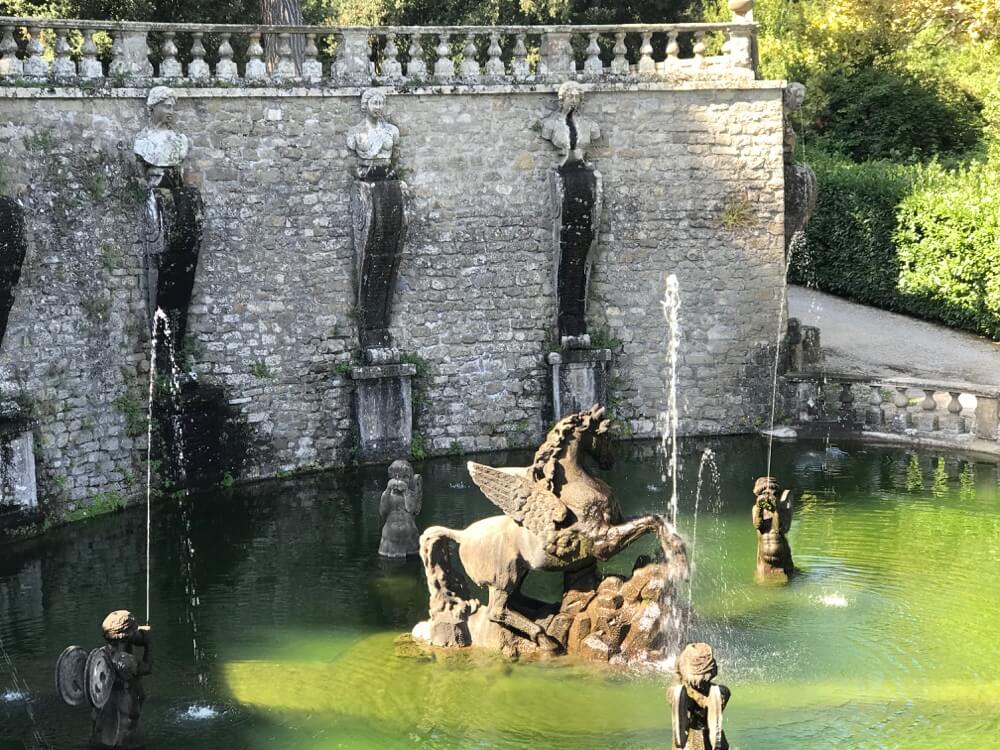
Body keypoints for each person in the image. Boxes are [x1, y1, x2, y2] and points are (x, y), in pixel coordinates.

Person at [91, 610, 152, 750]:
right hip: (123, 735)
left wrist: (135, 634)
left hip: (102, 729)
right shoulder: (126, 661)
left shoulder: (102, 655)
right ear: (127, 638)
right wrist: (149, 643)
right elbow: (147, 668)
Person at [669, 642, 730, 750]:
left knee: (677, 695)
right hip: (710, 738)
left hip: (687, 741)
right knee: (722, 693)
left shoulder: (676, 693)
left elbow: (677, 678)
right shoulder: (720, 693)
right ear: (713, 671)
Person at [346, 88, 399, 179]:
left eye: (381, 103)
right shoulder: (355, 132)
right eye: (375, 103)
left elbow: (396, 153)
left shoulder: (392, 130)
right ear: (365, 105)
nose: (378, 107)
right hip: (365, 174)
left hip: (386, 174)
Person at [751, 476, 795, 581]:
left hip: (781, 557)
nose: (767, 495)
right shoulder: (756, 508)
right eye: (764, 493)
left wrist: (775, 509)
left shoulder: (783, 508)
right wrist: (759, 508)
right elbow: (758, 525)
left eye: (772, 493)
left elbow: (779, 529)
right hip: (764, 557)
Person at [378, 459, 422, 557]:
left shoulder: (411, 494)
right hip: (389, 540)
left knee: (412, 567)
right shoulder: (387, 494)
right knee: (389, 568)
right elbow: (383, 511)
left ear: (410, 478)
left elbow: (411, 509)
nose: (400, 480)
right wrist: (388, 490)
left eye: (405, 477)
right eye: (397, 476)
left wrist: (406, 491)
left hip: (410, 540)